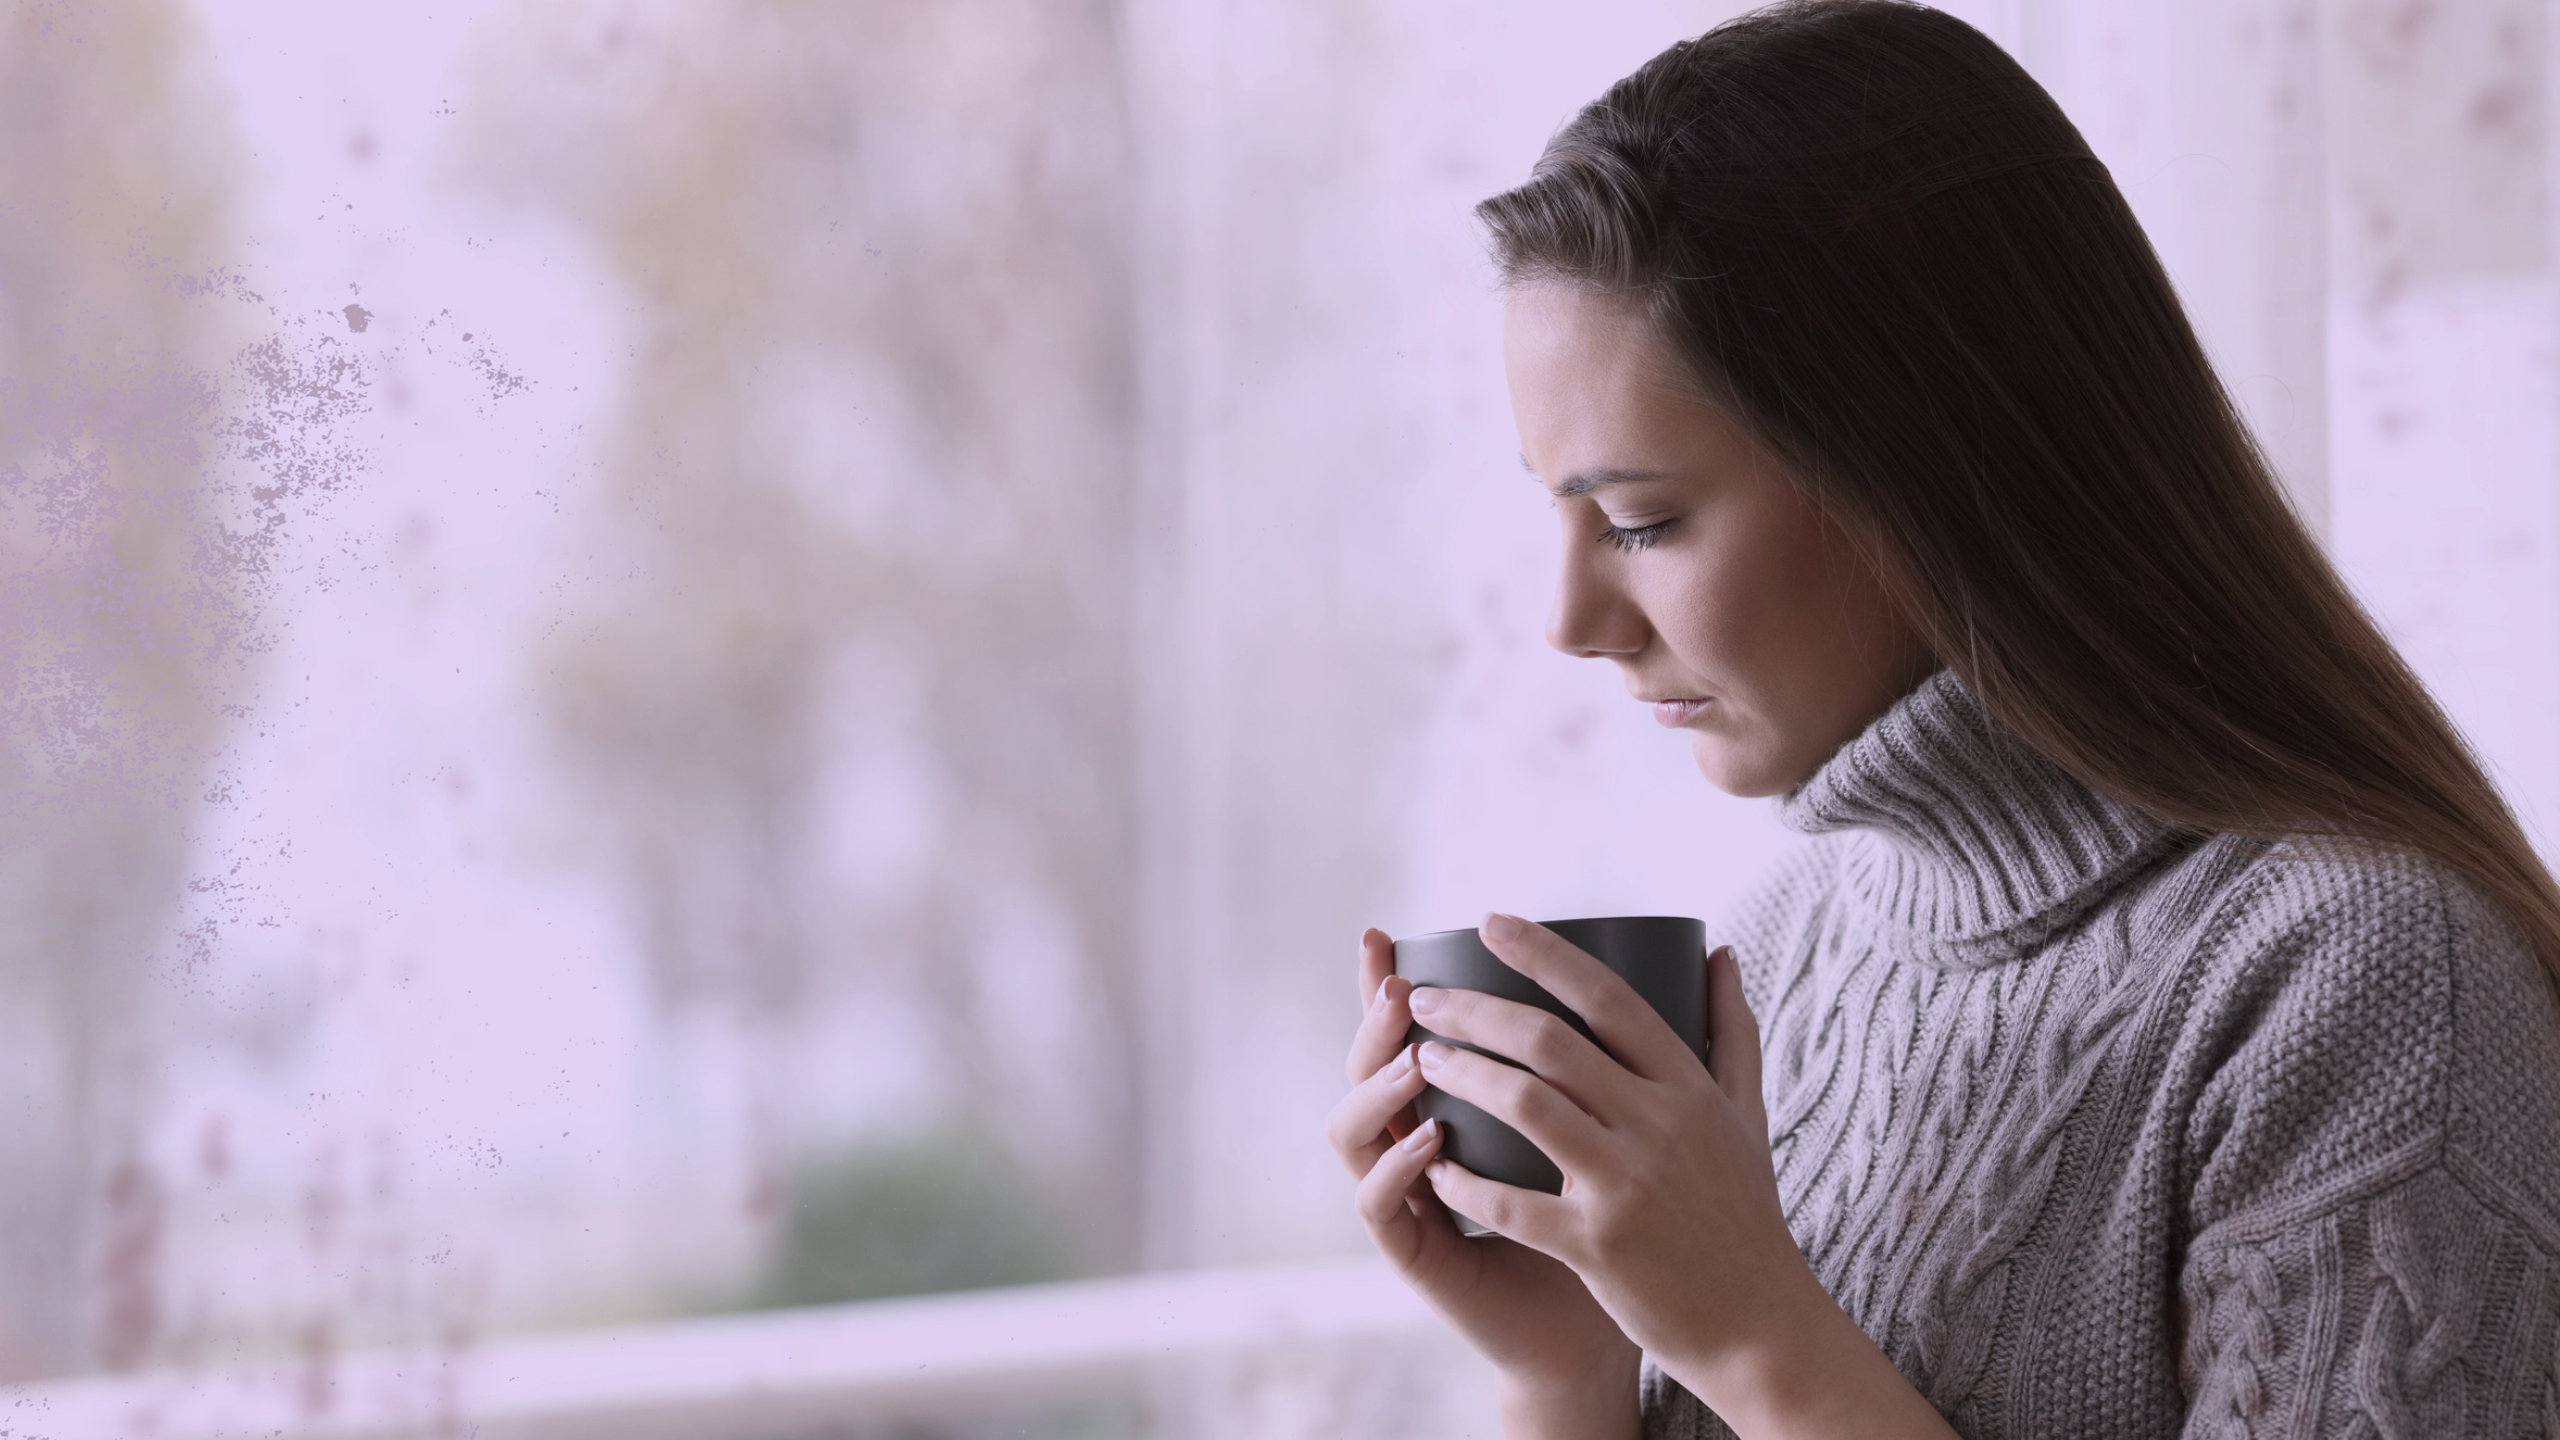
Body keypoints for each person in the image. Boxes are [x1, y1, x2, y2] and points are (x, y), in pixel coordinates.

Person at [1322, 2, 2560, 1436]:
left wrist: (1752, 1335)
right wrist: (1568, 1370)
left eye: (1643, 521)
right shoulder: (1792, 949)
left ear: (1925, 467)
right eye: (1563, 513)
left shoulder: (2361, 984)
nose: (1573, 621)